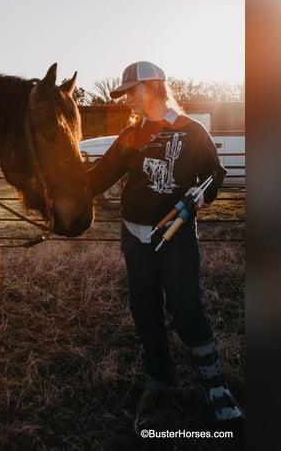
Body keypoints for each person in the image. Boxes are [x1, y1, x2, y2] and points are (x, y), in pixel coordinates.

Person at [86, 61, 243, 424]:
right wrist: (59, 184)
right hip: (134, 235)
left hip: (176, 236)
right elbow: (99, 177)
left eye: (132, 92)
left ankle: (216, 388)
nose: (128, 101)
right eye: (125, 95)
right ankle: (160, 376)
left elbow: (215, 174)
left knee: (187, 309)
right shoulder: (130, 135)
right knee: (145, 310)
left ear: (154, 88)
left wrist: (203, 194)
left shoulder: (192, 131)